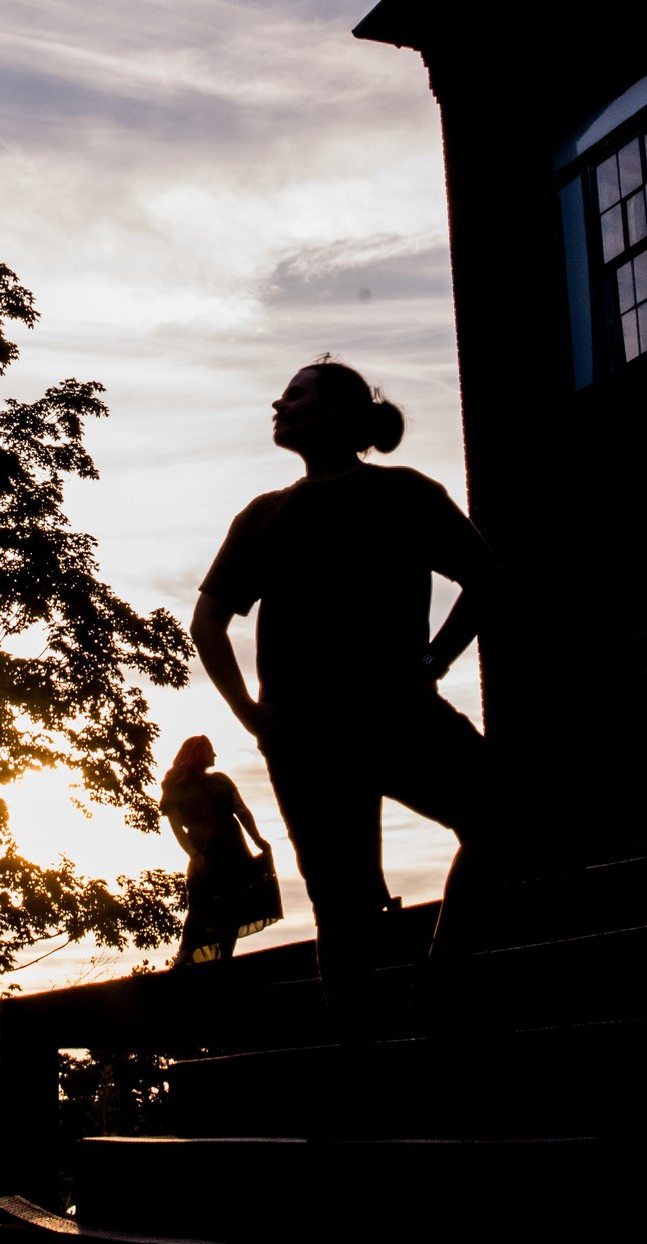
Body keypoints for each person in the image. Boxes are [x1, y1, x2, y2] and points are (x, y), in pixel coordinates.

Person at [190, 358, 500, 1031]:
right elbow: (206, 622)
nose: (279, 404)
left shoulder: (405, 494)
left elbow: (487, 579)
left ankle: (440, 975)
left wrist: (433, 660)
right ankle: (364, 1058)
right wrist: (249, 713)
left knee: (499, 822)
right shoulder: (263, 515)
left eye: (295, 394)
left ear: (335, 412)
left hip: (395, 716)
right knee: (342, 905)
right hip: (306, 736)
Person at [159, 735, 278, 966]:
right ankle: (187, 960)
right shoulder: (177, 786)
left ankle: (219, 959)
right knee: (204, 904)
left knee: (225, 903)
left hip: (229, 849)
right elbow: (177, 827)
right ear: (197, 754)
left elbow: (242, 811)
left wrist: (257, 839)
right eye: (210, 750)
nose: (214, 754)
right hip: (207, 850)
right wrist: (194, 855)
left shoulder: (217, 780)